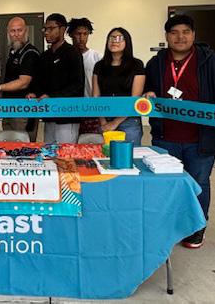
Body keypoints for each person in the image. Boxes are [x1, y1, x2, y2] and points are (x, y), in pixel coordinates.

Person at [145, 14, 215, 249]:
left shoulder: (209, 60)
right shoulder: (155, 63)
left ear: (193, 35)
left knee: (198, 183)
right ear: (167, 36)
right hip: (165, 136)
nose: (180, 37)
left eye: (185, 32)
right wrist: (149, 93)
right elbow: (148, 88)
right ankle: (171, 225)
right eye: (174, 32)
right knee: (168, 184)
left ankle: (197, 227)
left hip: (201, 138)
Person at [28, 14, 84, 143]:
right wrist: (34, 93)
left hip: (67, 116)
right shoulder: (44, 56)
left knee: (65, 152)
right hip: (49, 115)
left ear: (62, 29)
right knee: (49, 151)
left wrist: (52, 96)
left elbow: (77, 85)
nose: (46, 32)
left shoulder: (73, 53)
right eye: (45, 29)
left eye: (51, 28)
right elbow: (40, 82)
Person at [0, 16, 40, 141]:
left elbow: (23, 82)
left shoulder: (30, 53)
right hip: (8, 108)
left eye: (20, 30)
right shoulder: (13, 51)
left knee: (22, 145)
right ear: (8, 33)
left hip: (24, 110)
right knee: (8, 144)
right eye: (13, 31)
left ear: (26, 31)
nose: (16, 34)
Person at [92, 27, 145, 145]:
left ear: (127, 42)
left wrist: (115, 123)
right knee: (105, 154)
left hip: (128, 120)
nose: (114, 41)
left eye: (120, 38)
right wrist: (103, 121)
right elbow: (95, 96)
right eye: (111, 38)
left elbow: (135, 98)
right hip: (105, 117)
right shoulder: (99, 66)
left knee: (129, 155)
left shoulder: (136, 64)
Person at [67, 17, 102, 139]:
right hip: (70, 107)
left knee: (90, 142)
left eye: (85, 34)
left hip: (91, 108)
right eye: (78, 34)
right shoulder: (66, 56)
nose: (81, 38)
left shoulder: (97, 57)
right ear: (71, 35)